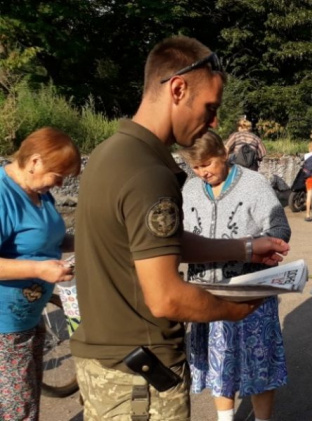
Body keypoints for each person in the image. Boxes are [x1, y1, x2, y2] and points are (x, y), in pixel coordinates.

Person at [71, 36, 289, 420]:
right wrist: (232, 310)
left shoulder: (112, 153)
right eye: (210, 107)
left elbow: (160, 243)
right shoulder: (150, 174)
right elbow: (166, 297)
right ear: (178, 88)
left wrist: (245, 247)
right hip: (141, 378)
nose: (214, 121)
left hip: (108, 365)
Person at [181, 131, 290, 421]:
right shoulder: (189, 190)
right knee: (219, 364)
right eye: (195, 167)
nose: (203, 172)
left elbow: (280, 229)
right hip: (206, 293)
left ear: (223, 154)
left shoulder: (254, 184)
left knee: (260, 363)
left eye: (208, 164)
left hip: (250, 293)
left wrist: (258, 244)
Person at [0, 127, 80, 420]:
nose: (59, 184)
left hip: (28, 318)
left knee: (27, 400)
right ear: (34, 161)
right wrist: (39, 269)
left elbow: (50, 240)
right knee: (17, 410)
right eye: (57, 175)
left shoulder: (39, 192)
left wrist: (93, 243)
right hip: (4, 327)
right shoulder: (2, 194)